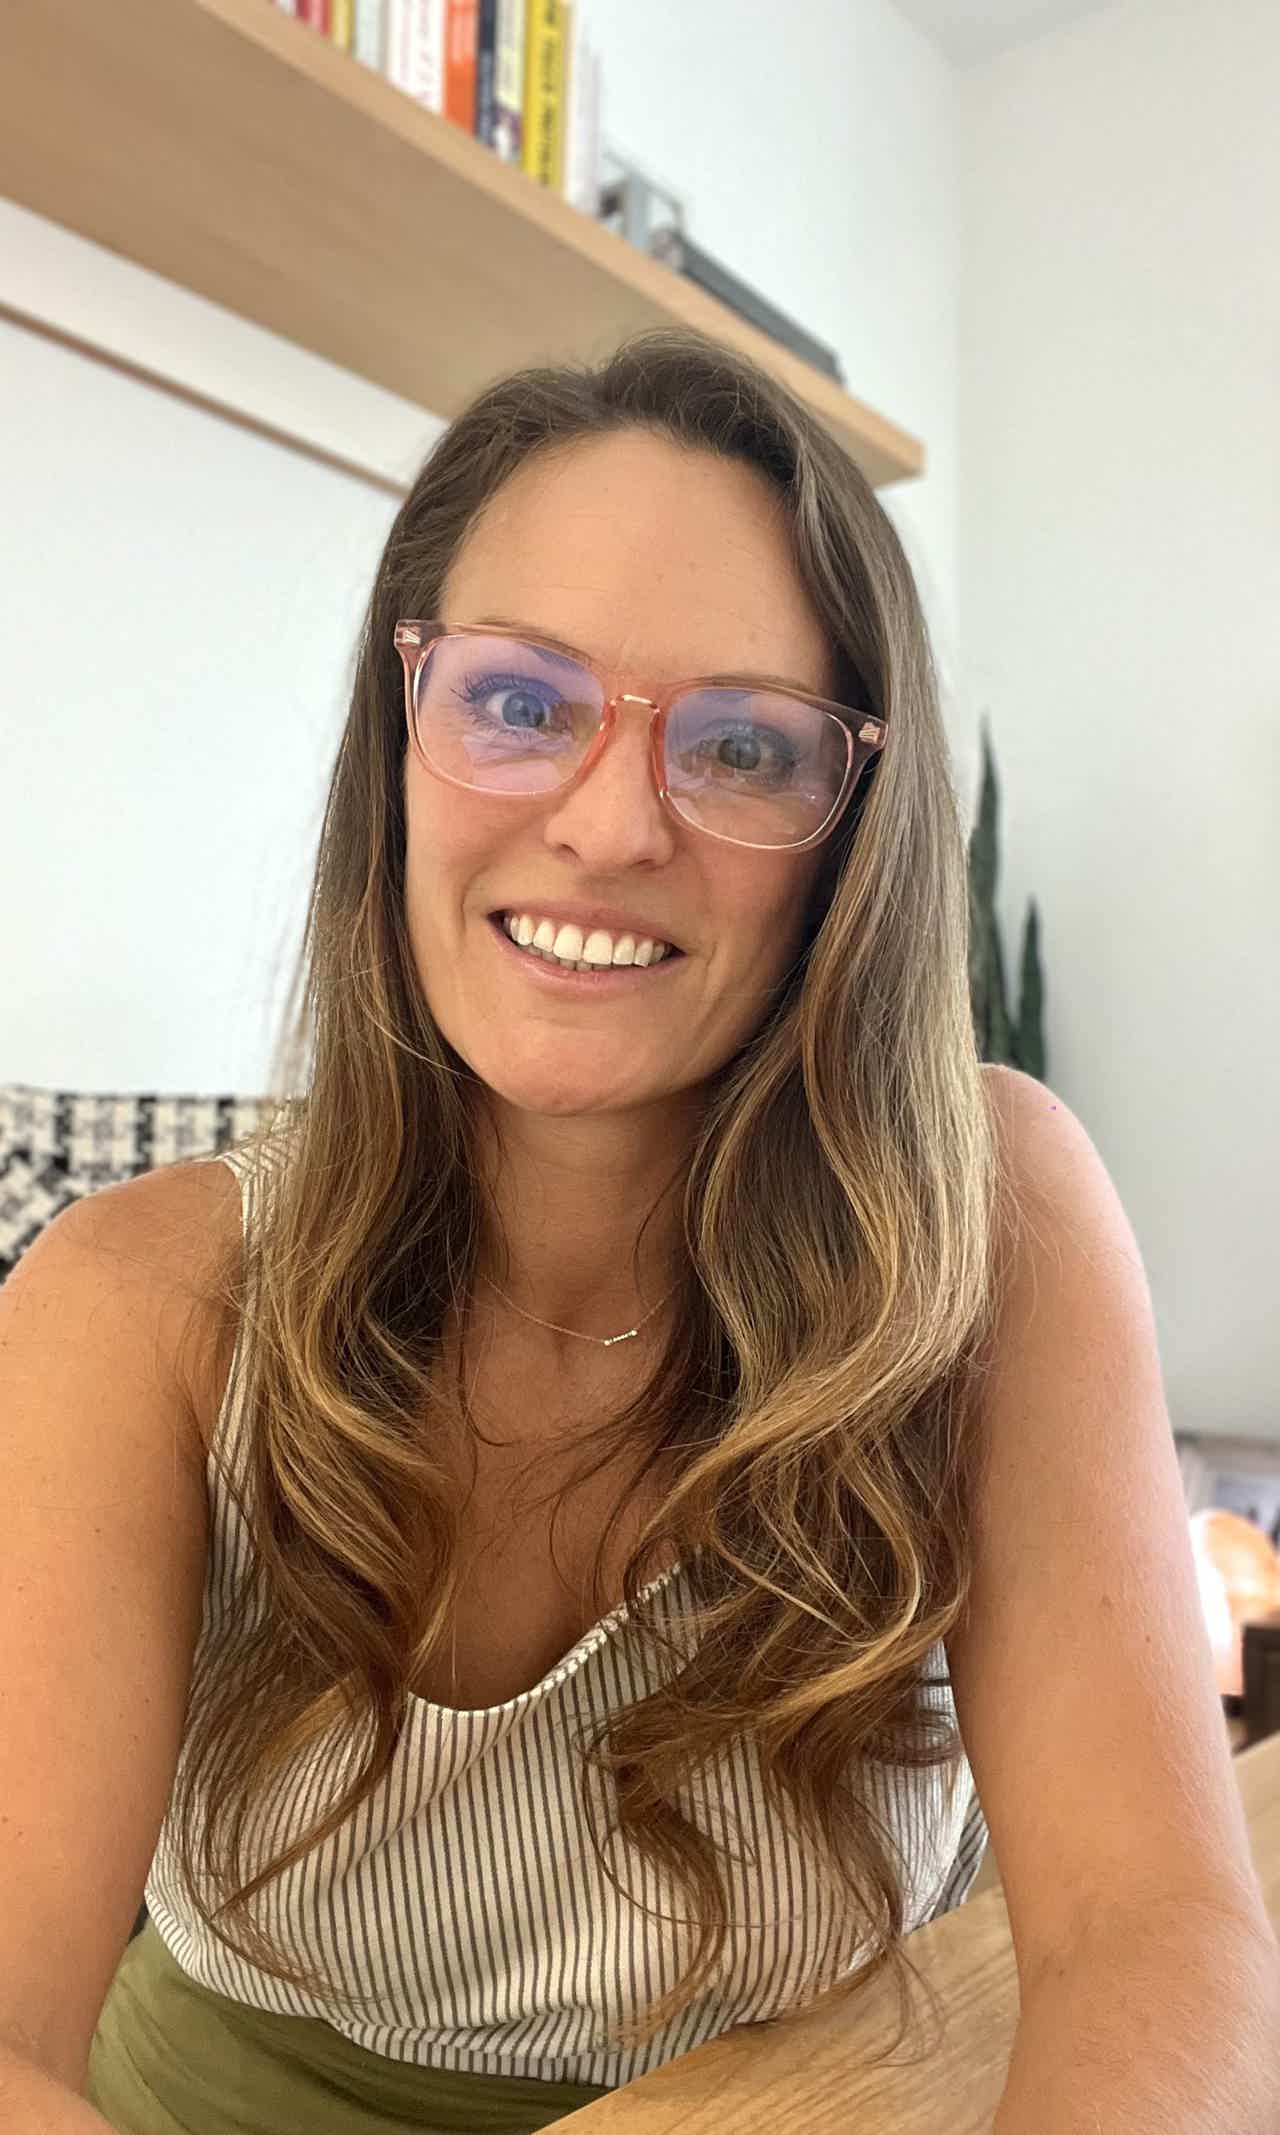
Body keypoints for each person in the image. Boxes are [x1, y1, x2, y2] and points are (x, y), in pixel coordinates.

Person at [3, 326, 998, 2133]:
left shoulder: (995, 1225)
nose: (608, 827)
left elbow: (1162, 1939)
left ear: (855, 833)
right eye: (523, 703)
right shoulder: (127, 1302)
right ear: (400, 738)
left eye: (742, 744)